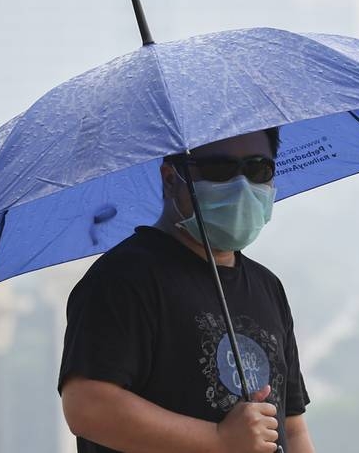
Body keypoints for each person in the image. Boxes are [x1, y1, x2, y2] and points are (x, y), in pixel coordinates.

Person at [58, 127, 316, 453]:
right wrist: (219, 440)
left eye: (257, 169)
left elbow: (291, 426)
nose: (241, 185)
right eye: (219, 170)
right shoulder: (123, 278)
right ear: (170, 178)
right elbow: (88, 407)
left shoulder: (268, 287)